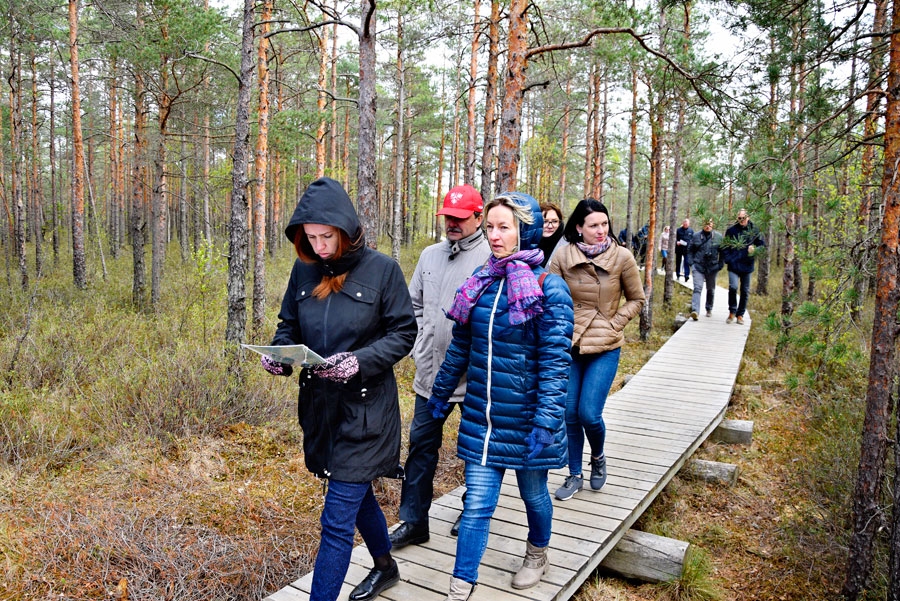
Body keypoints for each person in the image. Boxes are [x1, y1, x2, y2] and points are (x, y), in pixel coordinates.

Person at [261, 177, 418, 601]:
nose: (319, 246)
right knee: (354, 489)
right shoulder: (304, 268)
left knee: (335, 521)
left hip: (367, 412)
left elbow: (404, 332)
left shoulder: (382, 270)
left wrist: (359, 362)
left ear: (345, 230)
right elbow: (288, 326)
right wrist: (280, 355)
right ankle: (385, 567)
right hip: (320, 410)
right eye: (310, 238)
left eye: (326, 236)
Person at [428, 192, 573, 600]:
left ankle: (537, 553)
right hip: (483, 419)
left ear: (524, 231)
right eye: (489, 226)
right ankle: (462, 585)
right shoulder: (481, 282)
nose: (494, 235)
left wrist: (547, 421)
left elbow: (554, 363)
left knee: (534, 495)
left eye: (503, 227)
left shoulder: (549, 288)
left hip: (528, 422)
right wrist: (440, 396)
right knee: (476, 505)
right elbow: (460, 347)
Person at [390, 184, 490, 549]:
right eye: (448, 216)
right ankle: (414, 521)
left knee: (476, 451)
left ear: (478, 217)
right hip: (430, 377)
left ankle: (472, 512)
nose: (452, 223)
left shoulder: (490, 257)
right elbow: (412, 305)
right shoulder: (429, 256)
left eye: (461, 218)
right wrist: (420, 345)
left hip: (475, 378)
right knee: (420, 447)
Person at [548, 198, 645, 501]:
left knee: (589, 413)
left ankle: (598, 457)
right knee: (568, 412)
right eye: (593, 225)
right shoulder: (562, 257)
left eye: (604, 224)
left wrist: (614, 323)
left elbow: (637, 299)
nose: (601, 230)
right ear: (579, 228)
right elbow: (549, 296)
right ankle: (574, 474)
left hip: (605, 346)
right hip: (571, 344)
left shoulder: (622, 257)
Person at [722, 208, 765, 325]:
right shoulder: (731, 230)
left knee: (745, 291)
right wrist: (728, 259)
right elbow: (724, 246)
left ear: (748, 217)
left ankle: (740, 315)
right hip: (733, 264)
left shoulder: (755, 230)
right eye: (740, 218)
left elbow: (762, 245)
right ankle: (732, 311)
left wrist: (755, 249)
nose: (742, 220)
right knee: (733, 287)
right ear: (737, 218)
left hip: (747, 265)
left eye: (744, 218)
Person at [687, 217, 724, 320]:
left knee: (711, 289)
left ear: (713, 225)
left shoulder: (718, 237)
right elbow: (690, 250)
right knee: (697, 288)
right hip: (698, 266)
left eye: (710, 223)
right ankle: (695, 311)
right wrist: (691, 263)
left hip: (712, 267)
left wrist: (720, 265)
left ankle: (709, 308)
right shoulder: (696, 236)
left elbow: (723, 252)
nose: (708, 226)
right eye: (706, 224)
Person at [539, 201, 566, 266]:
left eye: (554, 221)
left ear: (559, 222)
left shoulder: (566, 245)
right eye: (545, 221)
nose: (550, 226)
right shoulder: (529, 245)